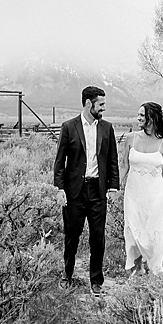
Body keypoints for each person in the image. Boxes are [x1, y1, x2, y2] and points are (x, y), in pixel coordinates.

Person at [51, 85, 120, 294]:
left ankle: (96, 281)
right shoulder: (68, 127)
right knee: (72, 235)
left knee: (98, 237)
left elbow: (112, 161)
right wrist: (59, 188)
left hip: (98, 191)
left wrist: (114, 187)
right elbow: (59, 161)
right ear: (89, 103)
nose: (104, 109)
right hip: (75, 192)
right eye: (101, 104)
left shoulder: (107, 128)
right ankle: (67, 274)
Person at [122, 101, 163, 276]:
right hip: (133, 195)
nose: (138, 118)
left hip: (156, 197)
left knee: (154, 236)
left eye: (142, 115)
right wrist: (112, 188)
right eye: (138, 114)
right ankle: (137, 270)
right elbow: (123, 166)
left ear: (152, 118)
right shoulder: (131, 138)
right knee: (132, 235)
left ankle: (154, 269)